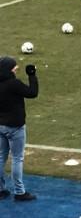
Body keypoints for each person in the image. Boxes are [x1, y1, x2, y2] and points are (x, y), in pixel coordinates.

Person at [0, 56, 39, 202]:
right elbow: (32, 93)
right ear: (9, 69)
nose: (16, 68)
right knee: (17, 159)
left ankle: (0, 189)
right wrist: (32, 75)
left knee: (0, 157)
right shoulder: (13, 84)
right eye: (14, 66)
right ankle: (19, 192)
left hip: (0, 126)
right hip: (15, 127)